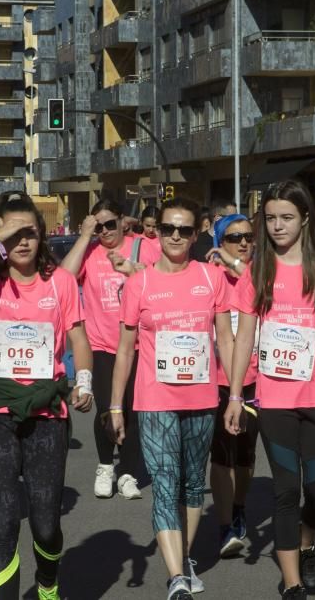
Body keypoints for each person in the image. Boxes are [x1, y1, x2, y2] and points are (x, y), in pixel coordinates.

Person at [223, 180, 315, 599]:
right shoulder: (258, 269)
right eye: (271, 218)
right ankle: (293, 581)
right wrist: (233, 395)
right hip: (274, 399)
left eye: (286, 218)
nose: (277, 226)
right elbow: (245, 336)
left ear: (305, 219)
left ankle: (307, 541)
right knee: (285, 490)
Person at [0, 194, 94, 600]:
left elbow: (78, 337)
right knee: (2, 520)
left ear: (42, 236)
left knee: (46, 523)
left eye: (30, 233)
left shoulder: (61, 282)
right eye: (12, 233)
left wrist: (84, 381)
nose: (22, 242)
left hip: (46, 412)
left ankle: (48, 584)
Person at [108, 196, 234, 600]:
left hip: (202, 398)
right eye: (168, 229)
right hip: (154, 399)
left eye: (184, 229)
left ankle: (185, 555)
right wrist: (115, 406)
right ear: (156, 233)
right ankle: (177, 575)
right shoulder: (138, 283)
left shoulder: (212, 277)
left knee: (192, 485)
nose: (176, 236)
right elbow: (125, 348)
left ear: (196, 234)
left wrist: (234, 393)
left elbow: (226, 339)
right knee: (165, 482)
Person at [60, 198, 161, 499]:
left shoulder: (144, 247)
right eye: (98, 226)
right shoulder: (89, 253)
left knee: (131, 411)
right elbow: (64, 279)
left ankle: (127, 473)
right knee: (106, 409)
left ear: (122, 220)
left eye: (109, 224)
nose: (104, 231)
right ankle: (105, 466)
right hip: (101, 345)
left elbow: (161, 283)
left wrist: (133, 269)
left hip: (140, 345)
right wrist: (83, 236)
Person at [203, 213, 259, 559]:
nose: (242, 242)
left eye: (248, 237)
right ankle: (225, 526)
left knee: (246, 457)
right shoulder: (209, 276)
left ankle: (239, 506)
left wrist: (234, 262)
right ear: (219, 242)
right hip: (216, 380)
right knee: (221, 454)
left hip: (256, 378)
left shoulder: (258, 275)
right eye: (233, 237)